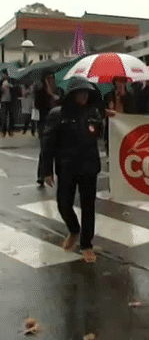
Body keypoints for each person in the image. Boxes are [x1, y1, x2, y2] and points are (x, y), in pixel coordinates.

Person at [39, 77, 104, 263]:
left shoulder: (93, 112)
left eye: (86, 93)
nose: (84, 96)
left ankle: (86, 244)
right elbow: (47, 144)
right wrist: (46, 170)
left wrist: (106, 119)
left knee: (88, 206)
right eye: (80, 93)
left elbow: (98, 133)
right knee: (63, 203)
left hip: (89, 166)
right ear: (72, 94)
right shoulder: (57, 114)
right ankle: (74, 230)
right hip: (66, 166)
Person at [35, 70, 64, 186]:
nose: (51, 81)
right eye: (49, 78)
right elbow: (38, 106)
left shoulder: (58, 90)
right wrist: (50, 96)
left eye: (52, 78)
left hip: (56, 122)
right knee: (44, 149)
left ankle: (54, 173)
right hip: (44, 122)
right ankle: (42, 174)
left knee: (56, 149)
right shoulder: (41, 92)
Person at [103, 77, 135, 154]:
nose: (121, 84)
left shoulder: (130, 96)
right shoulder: (109, 95)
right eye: (119, 81)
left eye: (123, 81)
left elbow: (133, 112)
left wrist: (124, 97)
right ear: (115, 82)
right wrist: (106, 112)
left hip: (125, 128)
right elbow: (102, 110)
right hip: (112, 129)